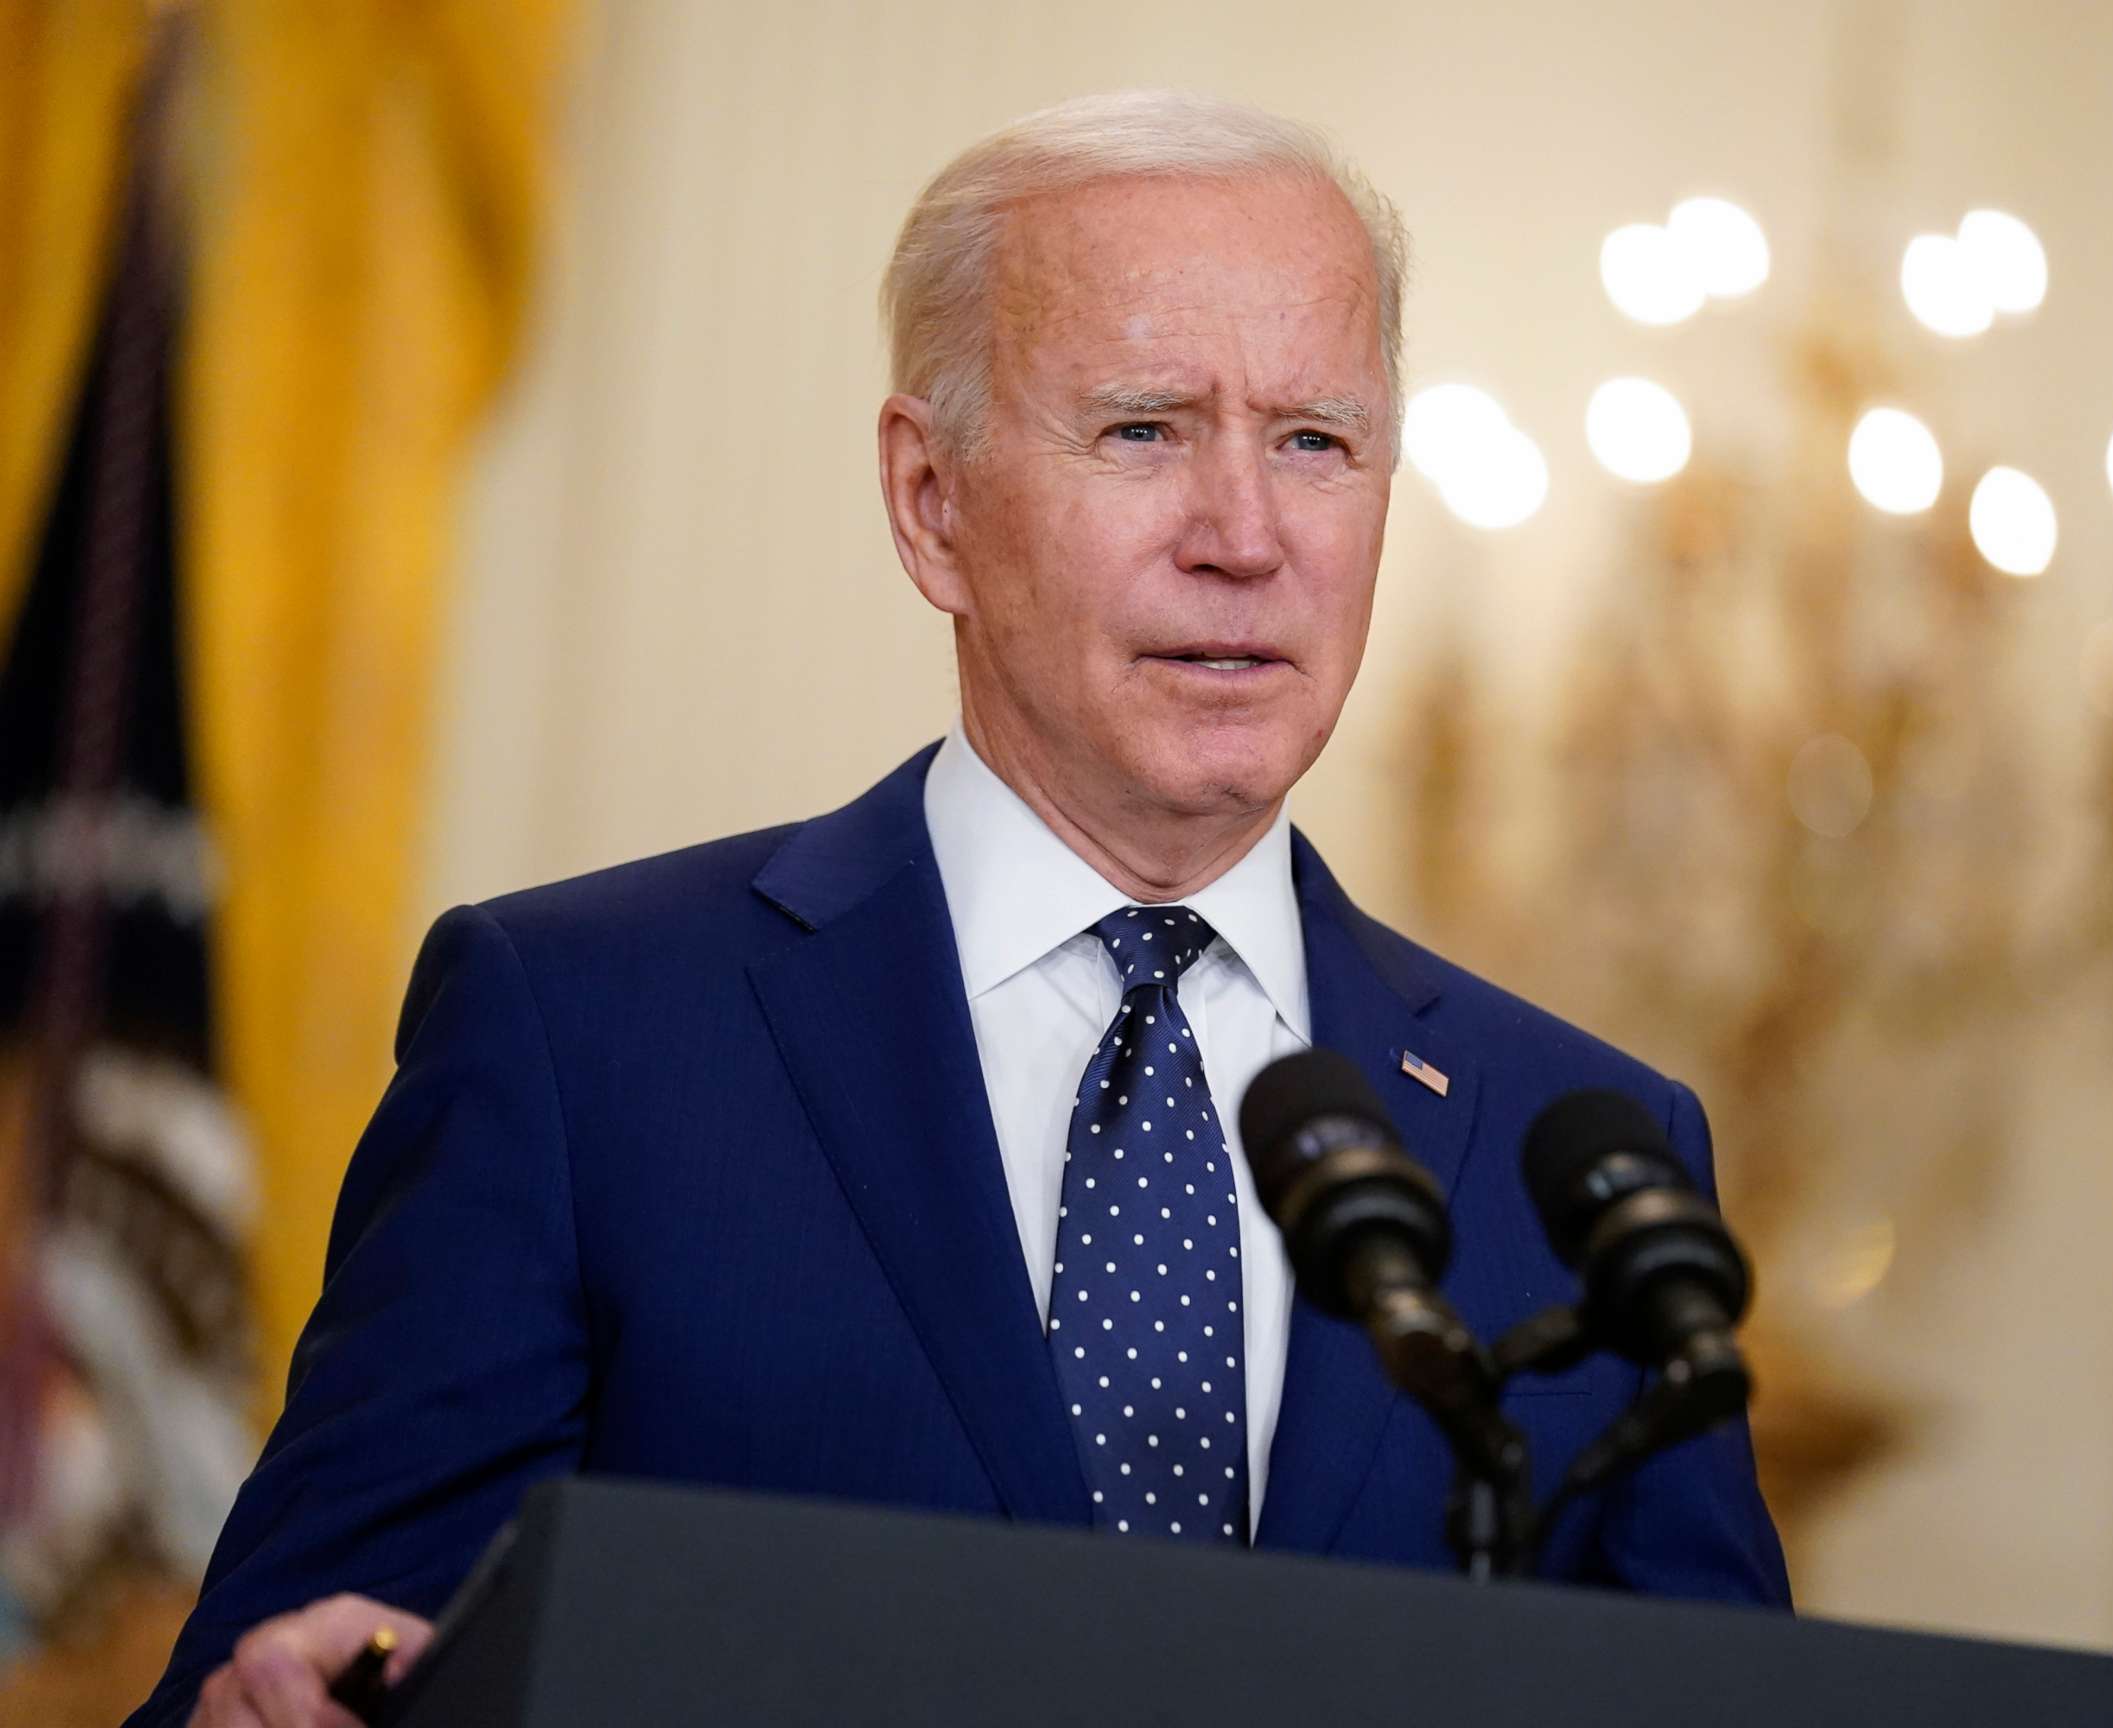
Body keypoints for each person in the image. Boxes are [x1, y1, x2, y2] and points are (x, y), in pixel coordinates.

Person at [139, 90, 1789, 1728]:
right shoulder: (583, 1037)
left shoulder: (1579, 1150)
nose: (1247, 535)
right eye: (1145, 429)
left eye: (1316, 440)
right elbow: (288, 1675)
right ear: (933, 502)